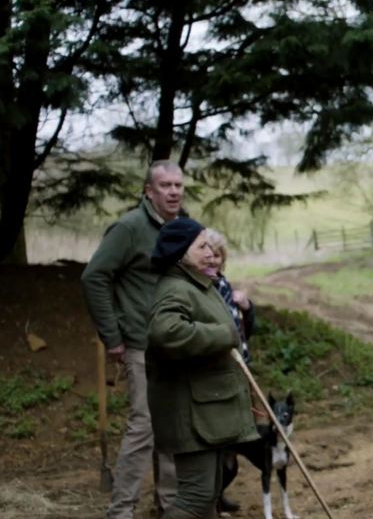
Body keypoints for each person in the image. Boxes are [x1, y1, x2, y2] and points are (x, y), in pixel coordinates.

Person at [82, 159, 183, 517]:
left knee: (172, 426)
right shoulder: (128, 227)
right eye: (165, 186)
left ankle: (169, 505)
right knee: (144, 428)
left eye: (178, 186)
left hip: (175, 344)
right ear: (149, 191)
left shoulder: (181, 228)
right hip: (141, 345)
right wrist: (112, 337)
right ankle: (121, 510)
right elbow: (94, 278)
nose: (173, 192)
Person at [146, 218, 260, 519]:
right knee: (195, 496)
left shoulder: (196, 283)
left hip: (205, 411)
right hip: (191, 414)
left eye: (211, 245)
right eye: (202, 246)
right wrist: (225, 334)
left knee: (208, 494)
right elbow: (166, 333)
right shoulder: (175, 289)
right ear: (182, 252)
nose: (210, 252)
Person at [201, 229, 257, 514]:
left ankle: (218, 494)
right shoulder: (200, 289)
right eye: (206, 252)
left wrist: (247, 308)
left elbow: (248, 330)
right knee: (218, 445)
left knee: (233, 447)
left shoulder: (224, 285)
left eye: (217, 254)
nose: (212, 259)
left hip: (239, 372)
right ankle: (208, 501)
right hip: (216, 376)